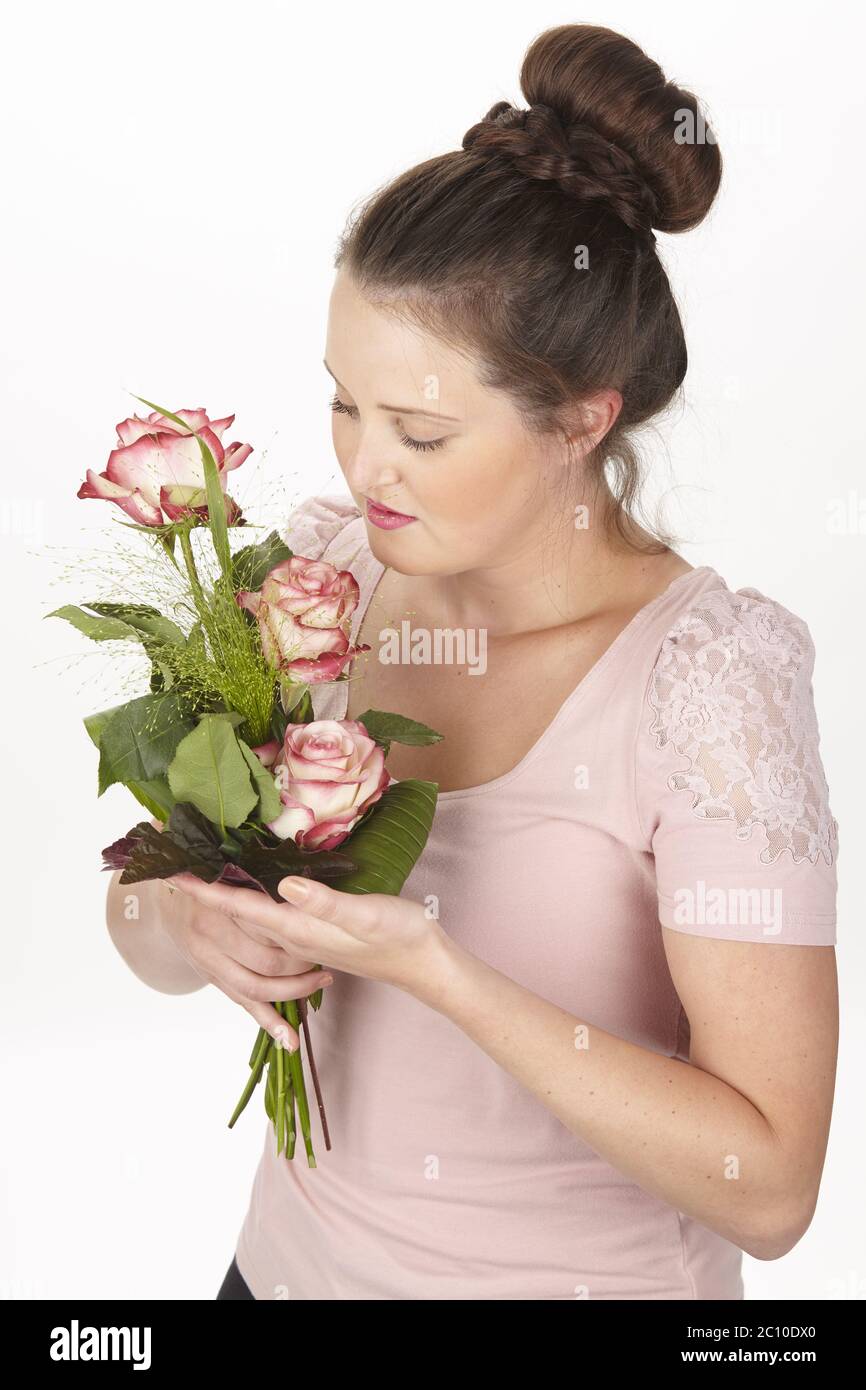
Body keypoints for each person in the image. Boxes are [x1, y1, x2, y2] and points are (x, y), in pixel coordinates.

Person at [106, 23, 839, 1301]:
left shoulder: (707, 685)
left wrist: (444, 974)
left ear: (579, 417)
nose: (360, 465)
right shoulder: (316, 582)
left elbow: (769, 1189)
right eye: (344, 400)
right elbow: (127, 918)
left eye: (422, 431)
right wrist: (183, 920)